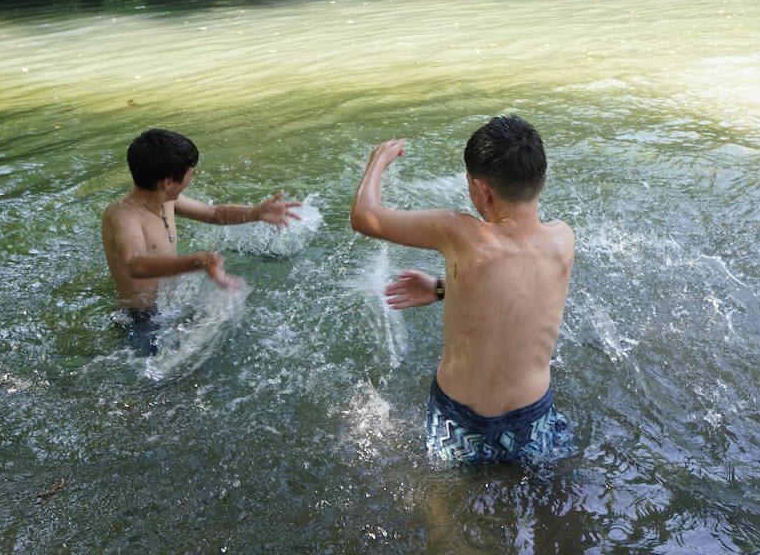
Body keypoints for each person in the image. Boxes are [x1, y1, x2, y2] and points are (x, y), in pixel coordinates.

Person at [350, 115, 575, 466]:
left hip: (460, 421)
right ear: (540, 180)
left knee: (447, 505)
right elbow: (518, 297)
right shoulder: (563, 239)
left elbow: (365, 216)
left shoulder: (459, 232)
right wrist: (442, 289)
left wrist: (377, 159)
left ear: (482, 189)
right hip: (532, 417)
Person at [101, 128, 301, 354]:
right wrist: (197, 261)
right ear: (168, 182)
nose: (191, 179)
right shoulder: (124, 215)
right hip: (141, 319)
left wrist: (255, 212)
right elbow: (134, 264)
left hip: (171, 305)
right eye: (190, 174)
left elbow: (215, 213)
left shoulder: (167, 200)